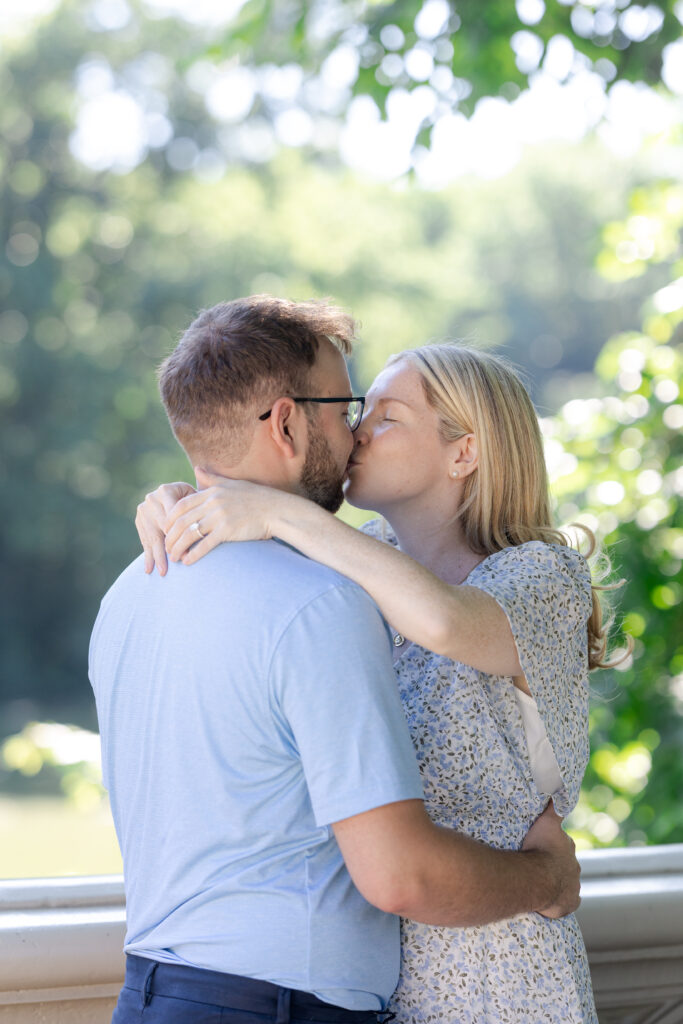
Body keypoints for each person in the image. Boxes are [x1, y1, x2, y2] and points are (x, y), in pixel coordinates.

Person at [93, 294, 580, 1024]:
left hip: (491, 968)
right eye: (352, 407)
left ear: (464, 450)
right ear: (289, 422)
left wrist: (269, 505)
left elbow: (446, 621)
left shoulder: (538, 578)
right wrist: (191, 496)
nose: (355, 430)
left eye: (383, 416)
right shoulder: (349, 575)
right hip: (376, 981)